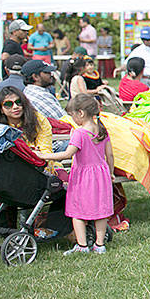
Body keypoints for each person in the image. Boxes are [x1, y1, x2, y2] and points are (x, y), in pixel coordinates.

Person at [36, 94, 114, 255]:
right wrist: (111, 173)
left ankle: (82, 245)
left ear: (80, 113)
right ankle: (100, 245)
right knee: (101, 210)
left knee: (77, 211)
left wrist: (44, 156)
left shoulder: (79, 133)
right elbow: (110, 155)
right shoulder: (102, 130)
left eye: (72, 115)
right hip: (102, 174)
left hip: (83, 176)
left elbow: (67, 154)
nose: (73, 119)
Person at [0, 85, 52, 158]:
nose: (15, 107)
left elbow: (45, 149)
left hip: (40, 162)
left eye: (18, 102)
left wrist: (36, 154)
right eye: (8, 104)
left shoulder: (38, 119)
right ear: (1, 109)